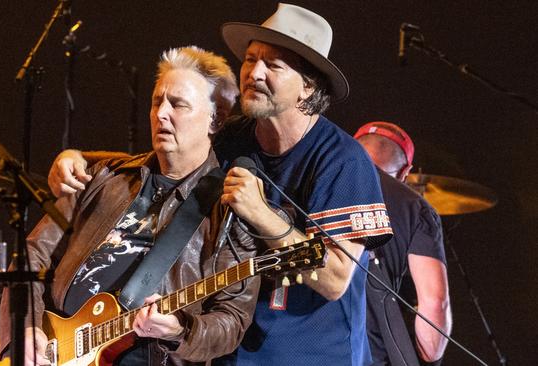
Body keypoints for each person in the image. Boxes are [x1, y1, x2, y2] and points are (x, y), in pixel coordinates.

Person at [47, 4, 393, 365]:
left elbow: (336, 279)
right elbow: (159, 159)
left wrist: (263, 216)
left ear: (307, 86)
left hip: (310, 356)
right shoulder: (233, 138)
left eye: (273, 65)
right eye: (250, 59)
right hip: (230, 351)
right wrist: (77, 157)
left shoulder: (342, 160)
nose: (254, 73)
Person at [0, 46, 260, 366]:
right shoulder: (104, 177)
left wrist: (179, 330)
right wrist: (24, 328)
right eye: (156, 101)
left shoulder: (228, 211)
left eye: (178, 104)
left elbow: (231, 320)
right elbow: (32, 255)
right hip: (54, 349)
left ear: (215, 119)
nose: (161, 113)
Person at [354, 121, 452, 365]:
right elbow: (435, 303)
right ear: (405, 172)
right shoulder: (416, 209)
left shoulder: (317, 183)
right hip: (366, 355)